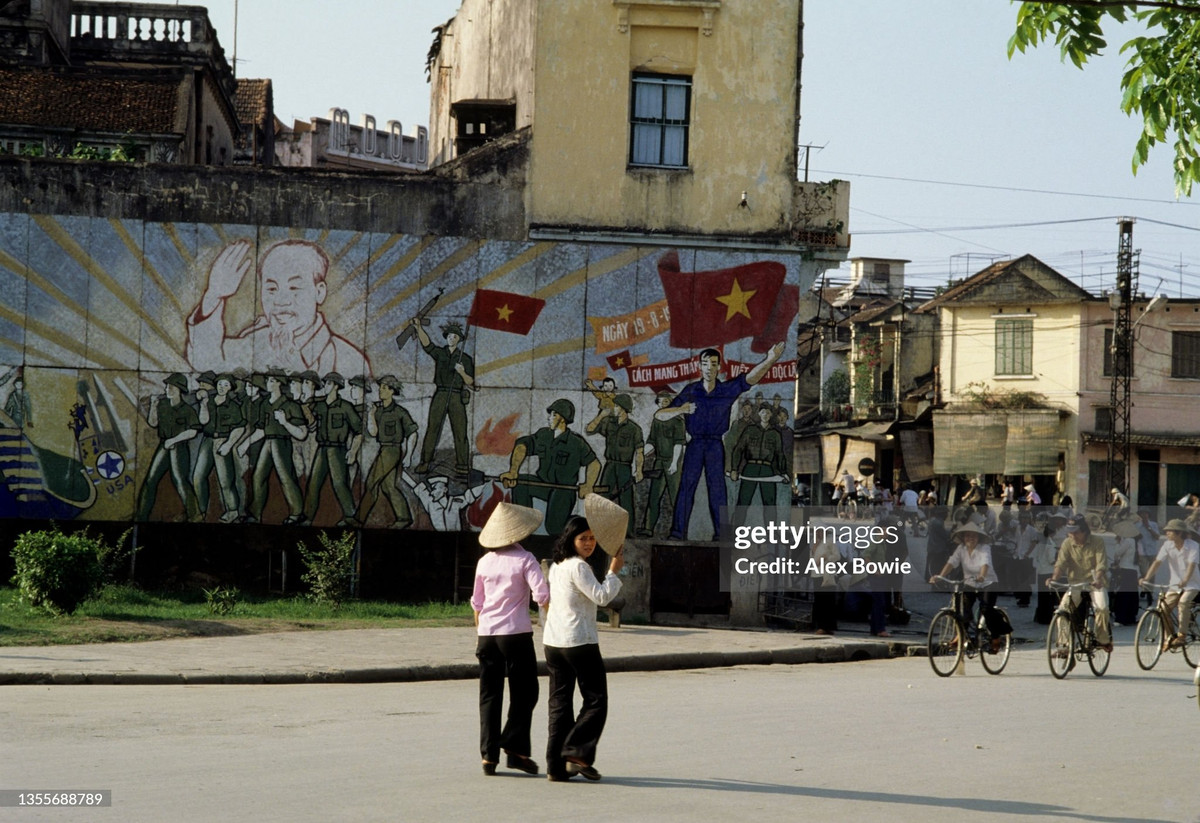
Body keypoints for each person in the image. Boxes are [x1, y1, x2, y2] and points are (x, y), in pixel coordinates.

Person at [653, 342, 785, 540]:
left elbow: (750, 378)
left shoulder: (725, 390)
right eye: (705, 364)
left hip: (715, 445)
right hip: (695, 444)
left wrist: (770, 359)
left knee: (718, 490)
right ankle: (678, 533)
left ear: (718, 367)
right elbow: (660, 415)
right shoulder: (691, 390)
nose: (709, 368)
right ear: (700, 366)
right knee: (686, 487)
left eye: (713, 364)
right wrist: (681, 409)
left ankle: (721, 534)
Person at [187, 238, 370, 376]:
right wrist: (214, 295)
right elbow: (206, 361)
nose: (281, 301)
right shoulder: (254, 342)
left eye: (294, 287)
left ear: (319, 292)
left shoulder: (350, 361)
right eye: (272, 288)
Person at [543, 496, 625, 782]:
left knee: (560, 704)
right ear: (571, 539)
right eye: (583, 538)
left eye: (592, 538)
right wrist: (613, 572)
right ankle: (575, 752)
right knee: (596, 700)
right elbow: (601, 597)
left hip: (554, 642)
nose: (589, 543)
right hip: (579, 642)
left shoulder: (558, 566)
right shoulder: (578, 566)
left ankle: (556, 767)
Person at [472, 502, 550, 777]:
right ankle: (515, 748)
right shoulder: (525, 559)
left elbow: (476, 603)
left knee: (489, 696)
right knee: (526, 692)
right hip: (515, 635)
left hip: (487, 636)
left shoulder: (484, 561)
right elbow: (542, 595)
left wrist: (483, 631)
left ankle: (488, 756)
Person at [502, 399, 600, 537]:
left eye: (553, 415)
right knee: (521, 483)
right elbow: (522, 446)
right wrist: (513, 472)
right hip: (543, 483)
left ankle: (575, 523)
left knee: (553, 528)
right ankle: (523, 524)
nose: (549, 418)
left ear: (562, 418)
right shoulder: (544, 435)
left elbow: (594, 463)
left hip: (564, 490)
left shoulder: (575, 442)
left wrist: (589, 485)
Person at [929, 522, 1011, 652]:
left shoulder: (984, 548)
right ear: (963, 537)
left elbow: (986, 562)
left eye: (973, 536)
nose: (970, 538)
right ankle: (961, 636)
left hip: (988, 583)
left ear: (978, 538)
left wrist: (982, 576)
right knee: (963, 609)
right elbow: (952, 562)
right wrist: (939, 576)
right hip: (970, 582)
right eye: (967, 536)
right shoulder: (961, 549)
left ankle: (996, 637)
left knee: (986, 609)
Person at [413, 320, 474, 479]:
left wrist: (461, 372)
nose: (452, 339)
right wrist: (419, 328)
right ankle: (425, 461)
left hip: (456, 395)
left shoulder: (465, 358)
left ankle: (462, 465)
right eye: (450, 336)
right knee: (433, 428)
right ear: (446, 338)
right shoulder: (440, 353)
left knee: (460, 431)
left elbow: (471, 382)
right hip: (441, 393)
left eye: (455, 336)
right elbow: (427, 345)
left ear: (459, 339)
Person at [1048, 514, 1111, 652]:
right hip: (1076, 583)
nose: (1072, 535)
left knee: (1102, 608)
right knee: (1062, 612)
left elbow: (1101, 564)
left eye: (1075, 532)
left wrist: (1098, 579)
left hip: (1095, 584)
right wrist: (1054, 578)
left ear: (1084, 531)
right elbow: (1061, 564)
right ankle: (1065, 647)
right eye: (1070, 532)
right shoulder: (1067, 543)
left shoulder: (1097, 541)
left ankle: (1102, 639)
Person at [1138, 518, 1200, 648]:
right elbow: (1157, 562)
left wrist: (1185, 580)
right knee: (1163, 609)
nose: (1166, 534)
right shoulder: (1167, 545)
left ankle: (1182, 635)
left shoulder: (1193, 546)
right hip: (1174, 584)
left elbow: (1191, 565)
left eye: (1170, 531)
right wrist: (1147, 578)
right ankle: (1170, 636)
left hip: (1192, 584)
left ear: (1179, 533)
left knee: (1183, 603)